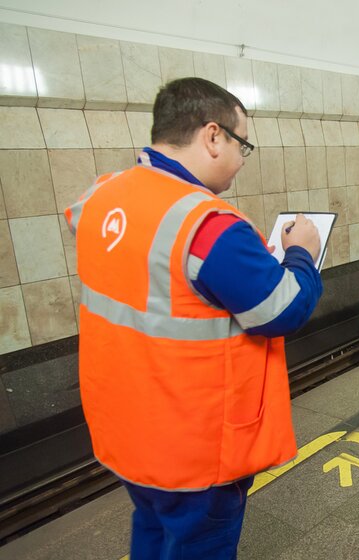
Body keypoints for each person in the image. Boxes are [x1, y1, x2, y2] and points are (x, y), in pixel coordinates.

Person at [63, 77, 323, 559]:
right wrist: (300, 255)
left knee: (154, 533)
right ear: (212, 136)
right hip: (194, 449)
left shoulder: (103, 196)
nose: (243, 159)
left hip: (126, 433)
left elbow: (161, 280)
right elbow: (285, 309)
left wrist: (243, 268)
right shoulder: (209, 226)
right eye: (242, 144)